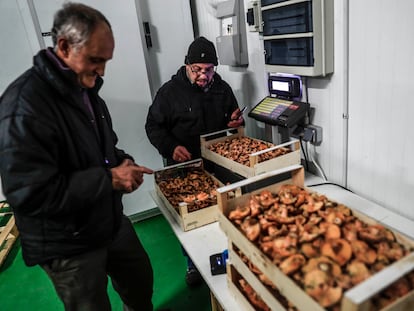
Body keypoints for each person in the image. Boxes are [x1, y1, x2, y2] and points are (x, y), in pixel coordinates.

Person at [0, 3, 153, 311]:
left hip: (107, 220)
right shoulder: (24, 107)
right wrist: (109, 179)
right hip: (67, 240)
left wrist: (122, 162)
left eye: (106, 60)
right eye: (95, 60)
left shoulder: (85, 90)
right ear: (64, 46)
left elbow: (102, 149)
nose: (102, 71)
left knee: (139, 280)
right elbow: (29, 194)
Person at [145, 36, 244, 286]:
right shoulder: (169, 92)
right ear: (187, 66)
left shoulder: (222, 89)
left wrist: (235, 124)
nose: (203, 76)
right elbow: (153, 126)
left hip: (216, 162)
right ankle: (192, 265)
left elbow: (233, 123)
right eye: (197, 70)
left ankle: (226, 254)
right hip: (183, 167)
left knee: (222, 212)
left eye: (209, 70)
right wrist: (171, 147)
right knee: (191, 221)